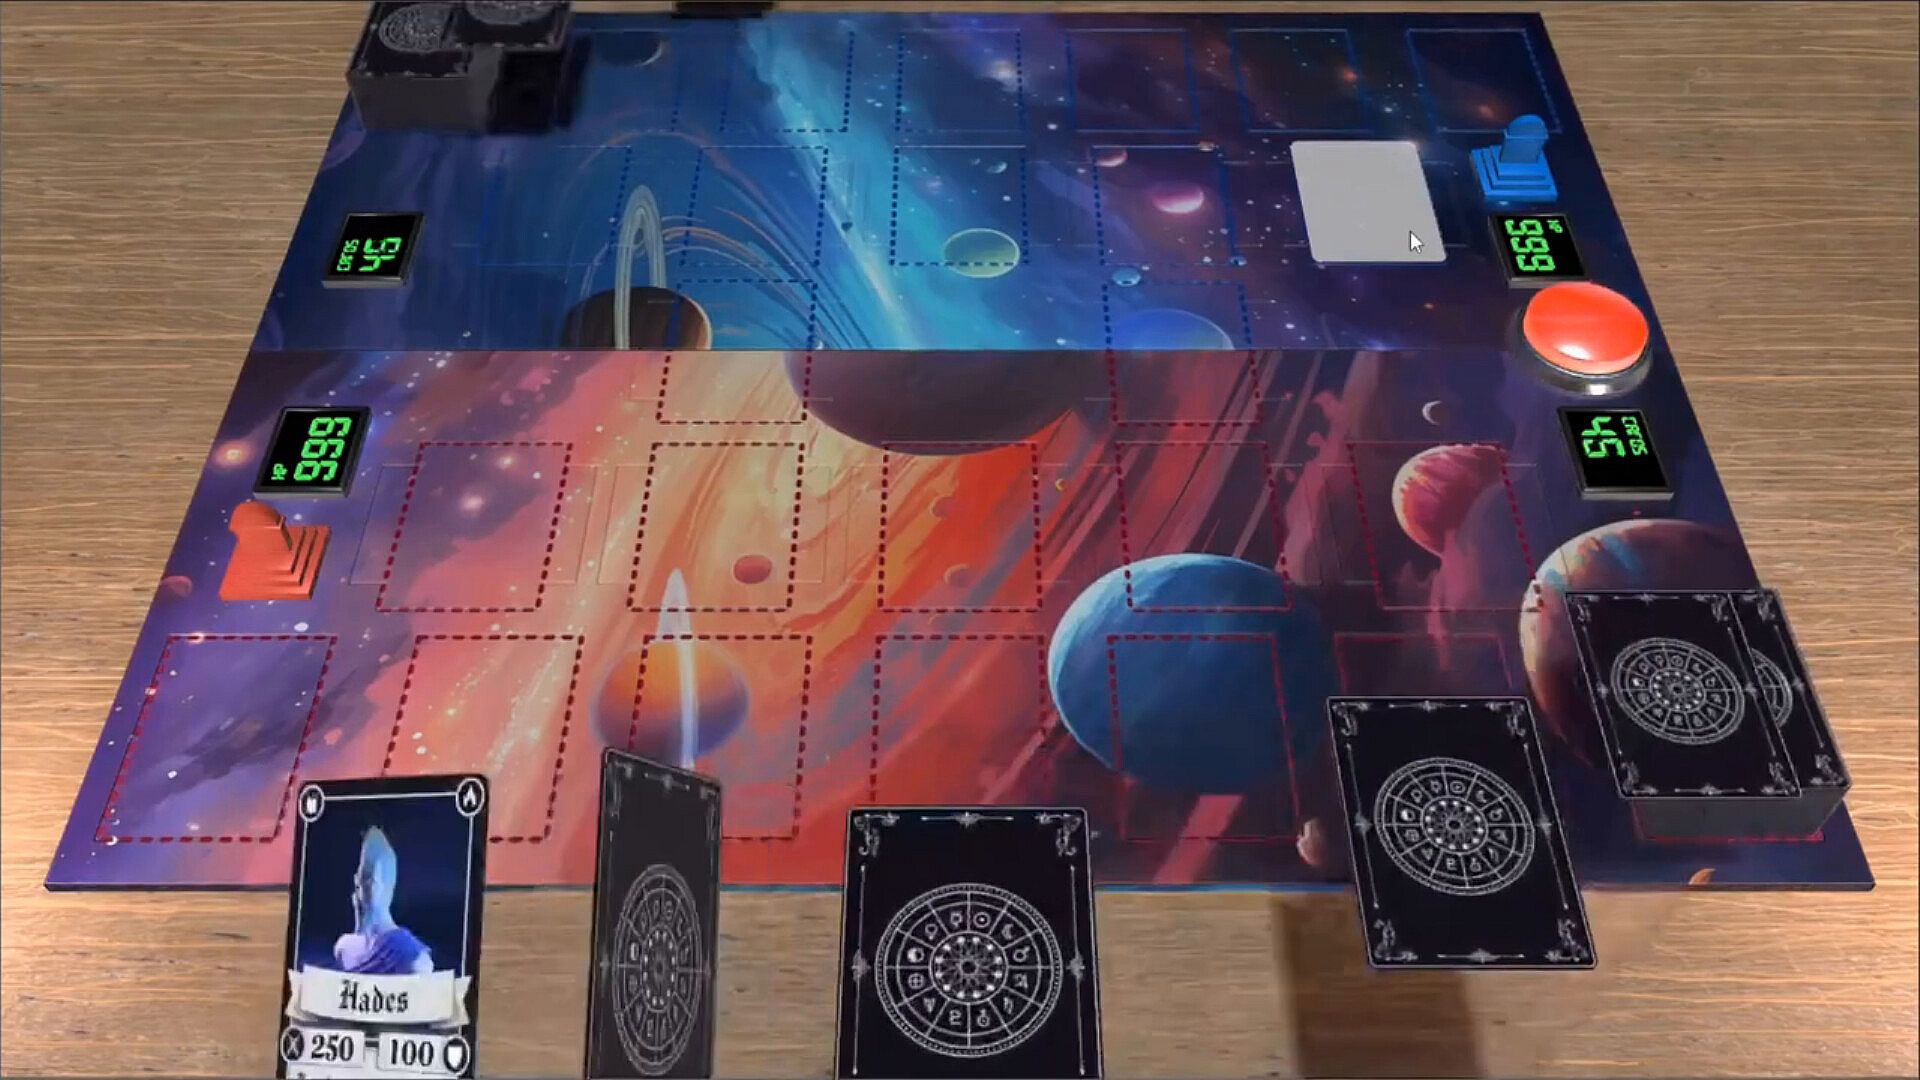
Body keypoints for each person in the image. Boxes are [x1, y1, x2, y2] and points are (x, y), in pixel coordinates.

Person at [330, 827, 434, 975]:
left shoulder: (413, 956)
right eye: (364, 878)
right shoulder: (345, 948)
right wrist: (359, 927)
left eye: (367, 877)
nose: (369, 885)